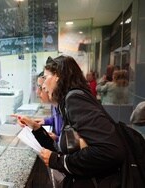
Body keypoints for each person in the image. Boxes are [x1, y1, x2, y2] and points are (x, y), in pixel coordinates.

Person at [14, 55, 125, 188]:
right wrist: (36, 128)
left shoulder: (74, 100)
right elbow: (63, 150)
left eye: (45, 77)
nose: (43, 86)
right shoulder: (68, 103)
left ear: (58, 77)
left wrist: (58, 161)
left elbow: (110, 150)